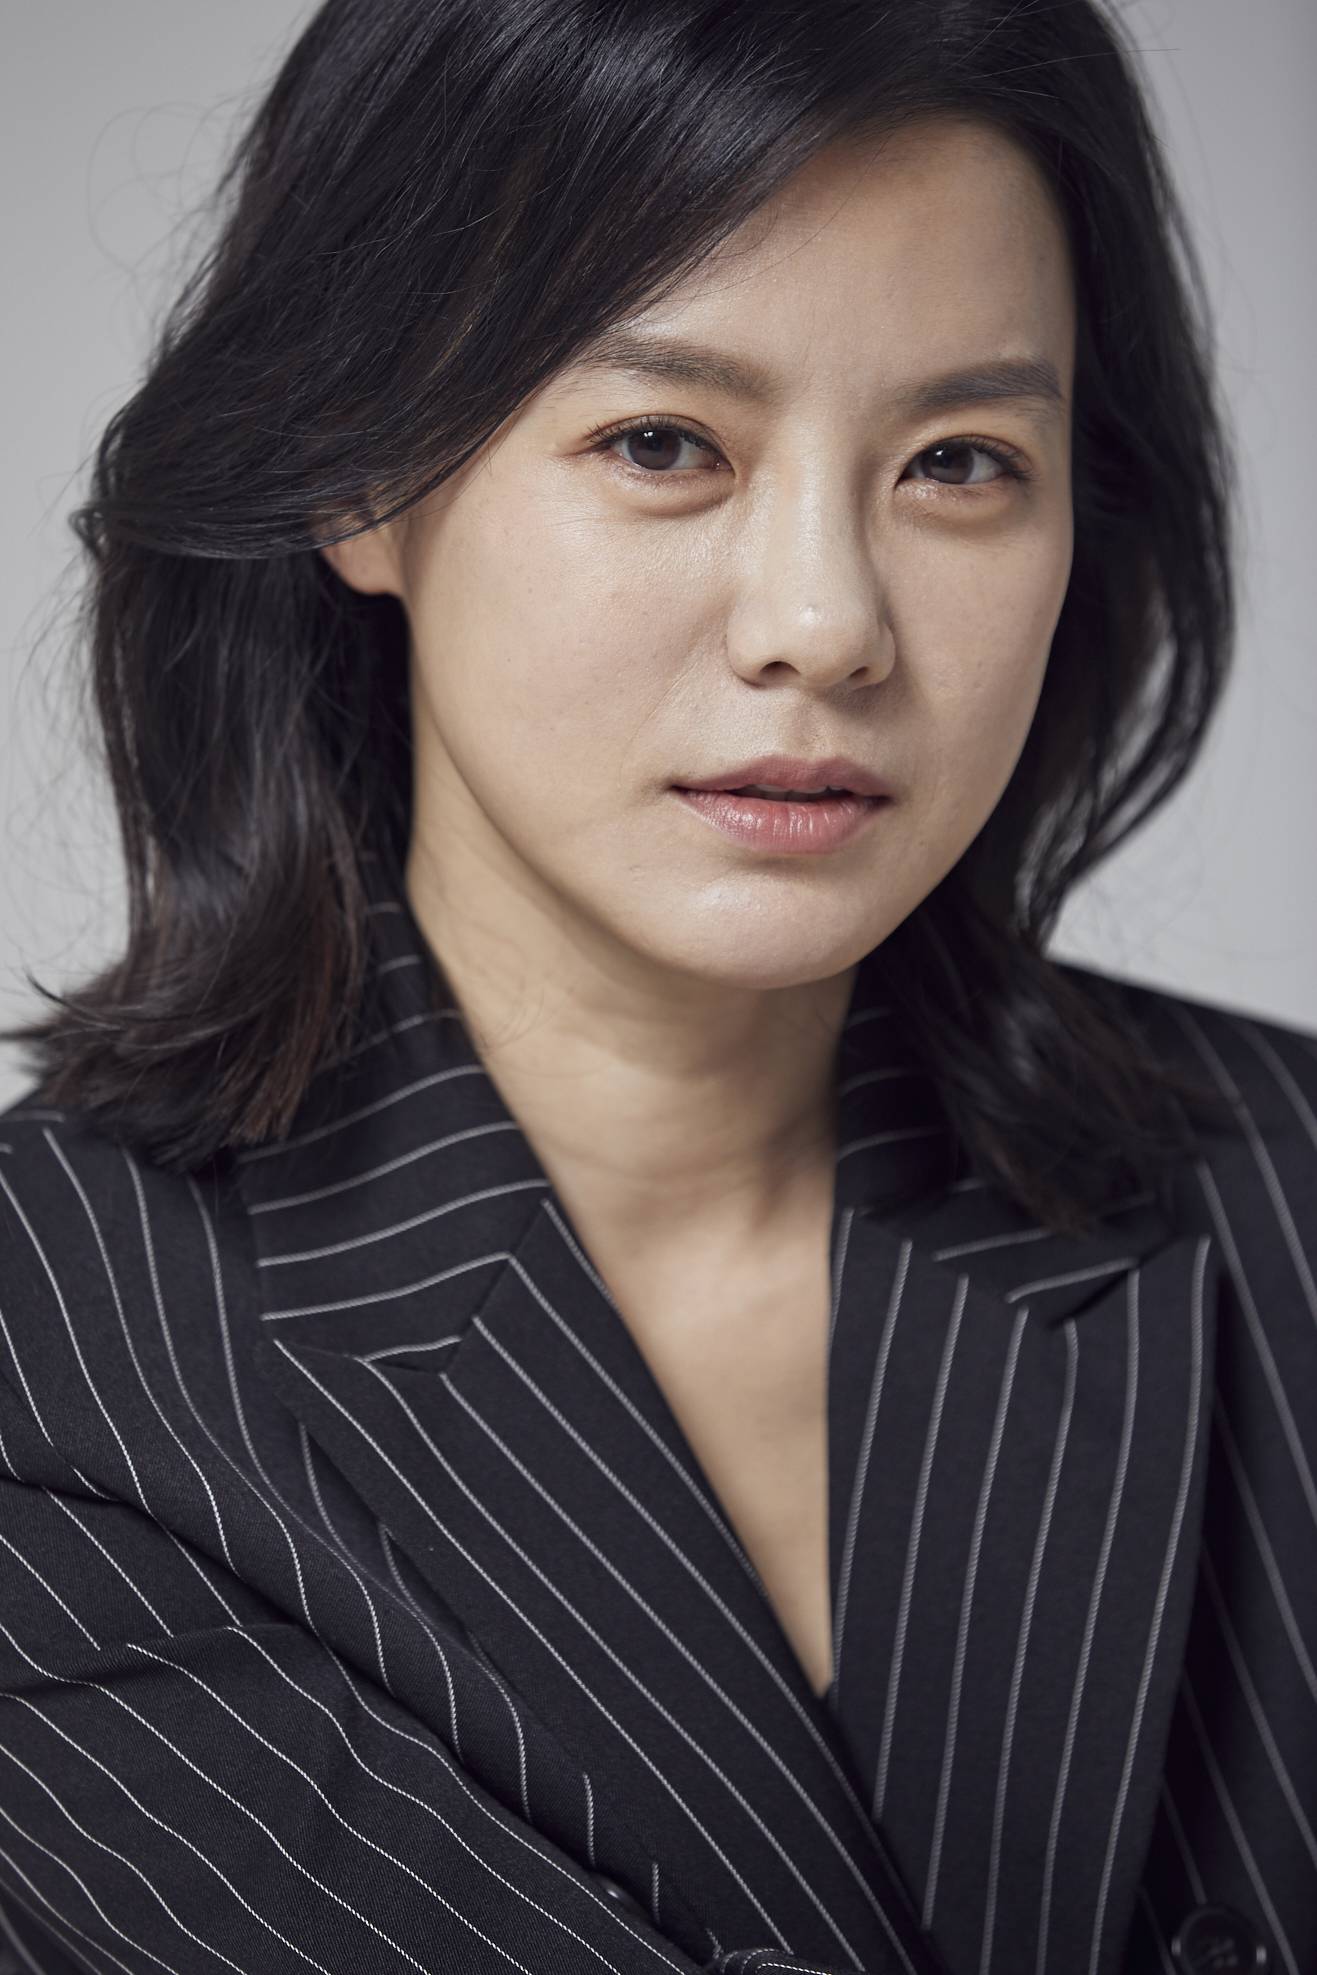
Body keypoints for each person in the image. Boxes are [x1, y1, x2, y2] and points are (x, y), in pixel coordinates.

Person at [0, 0, 1312, 1970]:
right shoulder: (55, 1351)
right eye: (661, 442)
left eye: (959, 461)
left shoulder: (1284, 1192)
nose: (826, 625)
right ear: (360, 472)